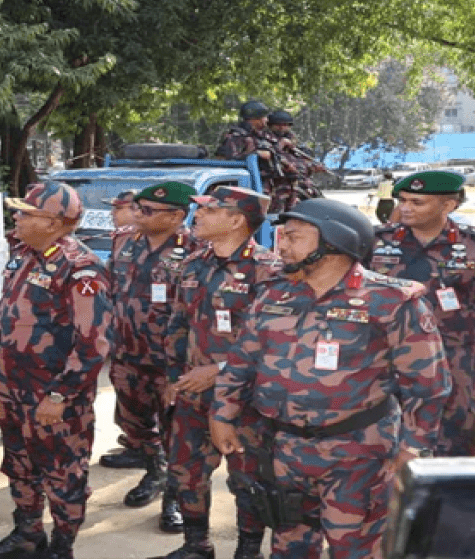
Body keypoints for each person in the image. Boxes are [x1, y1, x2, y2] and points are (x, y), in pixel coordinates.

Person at [210, 198, 450, 559]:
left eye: (294, 236)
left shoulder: (390, 301)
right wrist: (222, 414)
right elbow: (241, 360)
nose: (283, 245)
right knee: (289, 547)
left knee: (356, 549)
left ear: (334, 242)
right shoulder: (273, 294)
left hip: (359, 454)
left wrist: (414, 447)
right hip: (285, 450)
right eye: (282, 236)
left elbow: (428, 383)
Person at [0, 181, 112, 559]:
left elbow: (93, 343)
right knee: (19, 465)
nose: (16, 217)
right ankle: (27, 535)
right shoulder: (25, 253)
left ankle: (61, 548)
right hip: (12, 390)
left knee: (63, 476)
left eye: (26, 213)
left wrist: (59, 396)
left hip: (52, 397)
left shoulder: (81, 270)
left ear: (53, 222)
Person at [158, 186, 281, 559]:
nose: (199, 215)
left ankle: (248, 550)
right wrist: (171, 377)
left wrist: (220, 369)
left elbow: (277, 341)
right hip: (193, 392)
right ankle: (196, 545)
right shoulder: (195, 263)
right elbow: (179, 323)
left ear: (236, 220)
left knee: (247, 478)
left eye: (210, 209)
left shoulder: (269, 271)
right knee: (186, 471)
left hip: (245, 399)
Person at [367, 170, 475, 457]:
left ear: (448, 205)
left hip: (454, 359)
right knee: (384, 433)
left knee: (454, 435)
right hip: (385, 357)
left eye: (417, 203)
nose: (406, 208)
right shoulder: (375, 242)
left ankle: (447, 496)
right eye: (404, 200)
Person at [99, 182, 198, 534]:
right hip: (127, 355)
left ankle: (174, 495)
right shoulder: (123, 241)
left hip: (172, 364)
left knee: (178, 434)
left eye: (147, 210)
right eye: (137, 208)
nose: (137, 214)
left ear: (176, 216)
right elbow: (110, 292)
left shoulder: (198, 252)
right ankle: (154, 471)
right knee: (134, 425)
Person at [213, 101, 282, 211]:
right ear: (256, 118)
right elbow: (228, 160)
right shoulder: (237, 136)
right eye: (264, 117)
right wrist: (256, 154)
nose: (267, 120)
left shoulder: (260, 136)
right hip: (247, 187)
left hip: (265, 186)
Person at [266, 110, 325, 212]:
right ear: (270, 125)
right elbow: (272, 160)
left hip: (300, 187)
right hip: (279, 188)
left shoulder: (294, 147)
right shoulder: (266, 141)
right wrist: (280, 145)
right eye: (278, 125)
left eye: (285, 125)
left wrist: (312, 168)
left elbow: (302, 168)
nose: (282, 127)